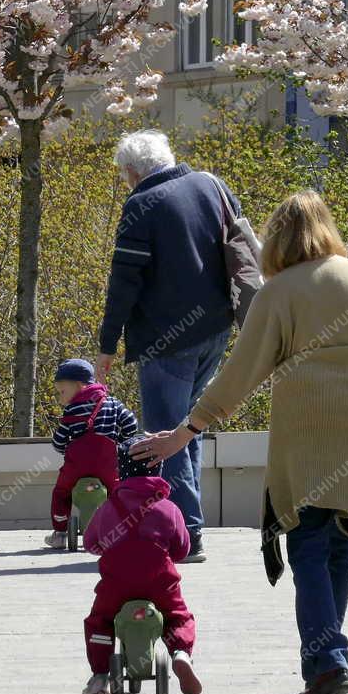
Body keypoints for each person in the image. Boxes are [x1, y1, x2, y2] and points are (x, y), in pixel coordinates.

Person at [133, 191, 348, 694]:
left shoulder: (276, 293)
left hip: (308, 429)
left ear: (277, 240)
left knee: (306, 539)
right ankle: (328, 657)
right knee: (342, 541)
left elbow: (237, 378)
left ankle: (326, 660)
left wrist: (182, 433)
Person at [96, 129, 248, 564]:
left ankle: (185, 536)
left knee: (166, 435)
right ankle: (189, 526)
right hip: (215, 332)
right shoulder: (209, 183)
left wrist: (108, 343)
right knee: (189, 428)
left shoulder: (141, 205)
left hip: (167, 341)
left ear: (132, 171)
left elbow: (124, 282)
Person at [81, 440, 202, 694]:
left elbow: (91, 543)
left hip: (117, 584)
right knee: (177, 616)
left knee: (99, 621)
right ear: (158, 470)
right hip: (160, 582)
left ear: (120, 471)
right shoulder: (169, 509)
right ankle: (181, 653)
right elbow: (182, 548)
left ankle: (101, 676)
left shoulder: (108, 508)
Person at [45, 358, 139, 549]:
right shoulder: (112, 403)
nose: (60, 397)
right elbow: (131, 424)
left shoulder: (71, 410)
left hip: (76, 467)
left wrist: (65, 450)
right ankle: (121, 528)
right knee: (118, 493)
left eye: (62, 391)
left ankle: (61, 532)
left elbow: (58, 441)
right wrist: (120, 443)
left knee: (62, 492)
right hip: (108, 465)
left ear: (79, 385)